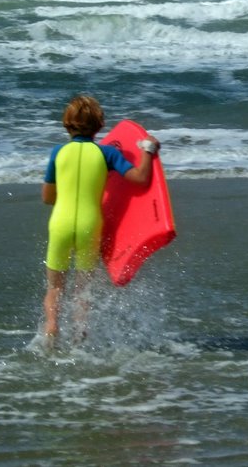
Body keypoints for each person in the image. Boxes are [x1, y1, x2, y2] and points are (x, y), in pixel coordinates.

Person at [40, 95, 160, 345]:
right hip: (90, 225)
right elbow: (140, 179)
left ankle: (51, 328)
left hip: (60, 223)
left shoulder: (57, 153)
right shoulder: (107, 153)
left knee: (54, 287)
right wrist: (148, 149)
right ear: (100, 125)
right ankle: (79, 337)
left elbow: (48, 198)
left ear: (66, 124)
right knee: (82, 289)